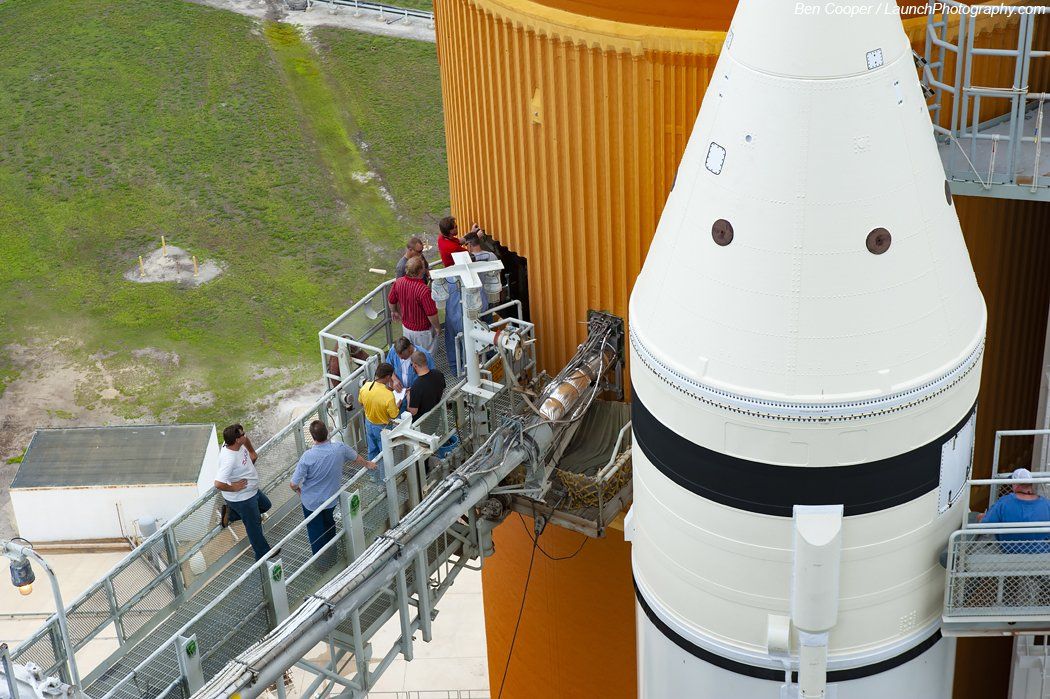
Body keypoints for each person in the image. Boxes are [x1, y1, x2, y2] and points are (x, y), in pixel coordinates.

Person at [290, 420, 375, 555]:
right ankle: (332, 554)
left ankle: (322, 560)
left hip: (311, 503)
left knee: (316, 533)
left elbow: (293, 484)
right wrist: (367, 464)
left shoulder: (307, 457)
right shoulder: (339, 448)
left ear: (313, 437)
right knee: (329, 525)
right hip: (331, 499)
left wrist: (298, 491)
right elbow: (356, 458)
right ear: (327, 433)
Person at [215, 424, 276, 561]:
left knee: (266, 505)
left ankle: (231, 514)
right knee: (254, 527)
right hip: (243, 499)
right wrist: (234, 487)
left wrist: (252, 452)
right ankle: (263, 554)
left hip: (252, 492)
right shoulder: (229, 459)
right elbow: (218, 483)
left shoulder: (232, 442)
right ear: (237, 440)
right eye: (242, 434)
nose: (245, 435)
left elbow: (246, 440)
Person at [979, 468, 1050, 552]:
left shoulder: (1003, 502)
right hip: (1042, 552)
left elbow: (985, 526)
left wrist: (981, 517)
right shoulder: (1047, 504)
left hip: (1010, 551)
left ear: (1015, 484)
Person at [388, 257, 439, 354]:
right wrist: (437, 327)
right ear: (420, 271)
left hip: (406, 329)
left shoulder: (398, 282)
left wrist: (394, 311)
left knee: (411, 356)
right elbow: (431, 313)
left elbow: (391, 300)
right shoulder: (423, 290)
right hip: (423, 332)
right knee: (426, 357)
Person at [358, 362, 400, 467]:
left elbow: (361, 403)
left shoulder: (365, 387)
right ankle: (384, 475)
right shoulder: (389, 395)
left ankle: (373, 474)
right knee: (384, 454)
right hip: (382, 428)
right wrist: (397, 405)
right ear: (388, 377)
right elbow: (393, 415)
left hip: (369, 423)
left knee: (372, 450)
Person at [407, 350, 446, 423]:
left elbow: (413, 411)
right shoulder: (438, 373)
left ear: (415, 365)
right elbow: (442, 389)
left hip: (422, 424)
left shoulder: (416, 386)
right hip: (436, 417)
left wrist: (409, 395)